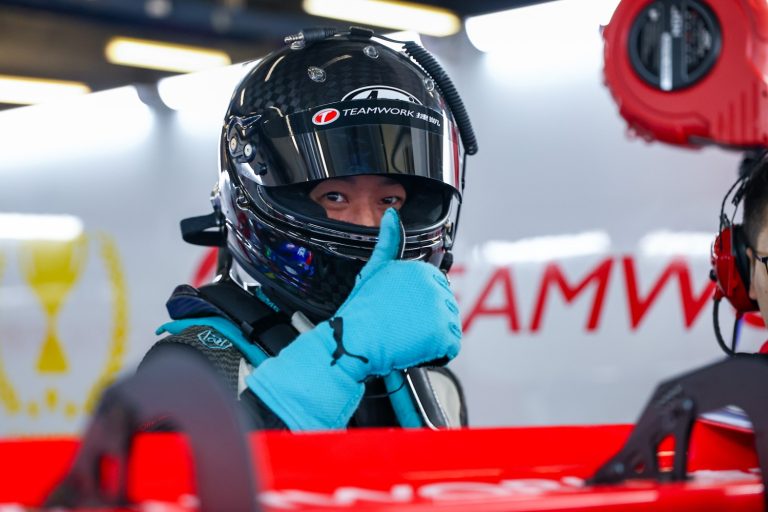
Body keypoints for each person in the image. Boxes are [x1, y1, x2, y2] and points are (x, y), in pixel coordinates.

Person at [140, 27, 477, 431]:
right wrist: (343, 353)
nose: (370, 224)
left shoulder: (437, 387)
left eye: (390, 201)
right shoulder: (195, 366)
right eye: (335, 196)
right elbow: (194, 469)